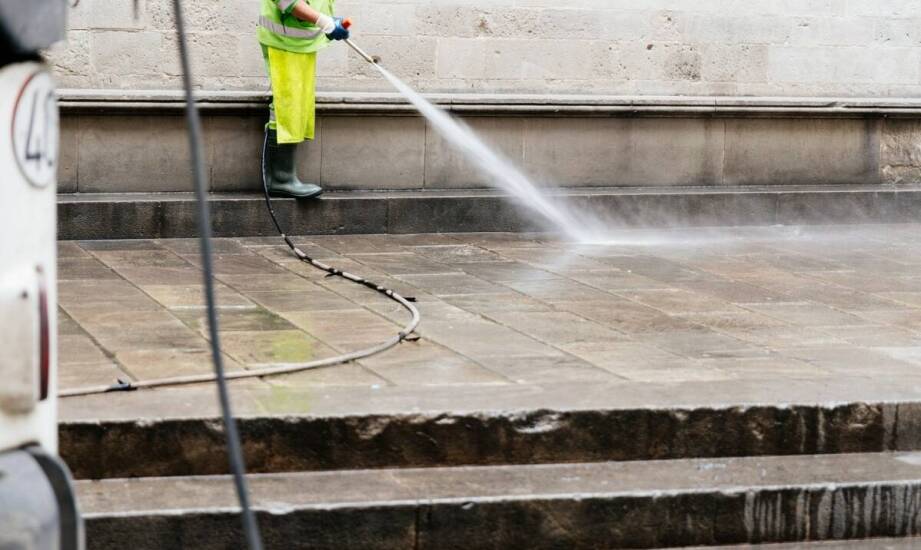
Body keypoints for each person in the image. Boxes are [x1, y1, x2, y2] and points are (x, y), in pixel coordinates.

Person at [257, 0, 350, 199]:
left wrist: (326, 20)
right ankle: (280, 179)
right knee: (286, 106)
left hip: (298, 43)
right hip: (283, 41)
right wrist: (324, 22)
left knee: (296, 106)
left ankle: (283, 178)